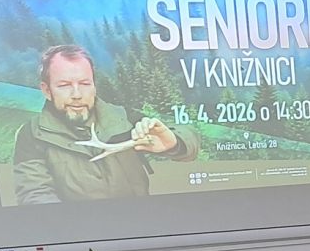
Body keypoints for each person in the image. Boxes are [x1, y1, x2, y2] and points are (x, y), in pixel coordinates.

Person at [12, 44, 200, 204]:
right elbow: (34, 194)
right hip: (81, 233)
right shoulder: (32, 135)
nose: (77, 94)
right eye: (64, 85)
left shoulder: (122, 118)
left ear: (94, 85)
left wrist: (174, 142)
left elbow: (189, 136)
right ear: (46, 90)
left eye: (85, 83)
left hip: (140, 225)